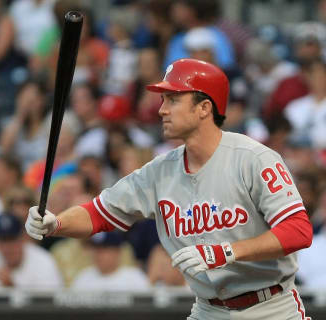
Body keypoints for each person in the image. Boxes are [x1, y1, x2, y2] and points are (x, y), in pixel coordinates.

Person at [26, 58, 313, 319]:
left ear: (204, 108)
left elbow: (298, 230)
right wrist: (56, 222)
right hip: (208, 309)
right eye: (163, 99)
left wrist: (226, 252)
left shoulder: (253, 159)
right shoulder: (159, 171)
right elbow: (99, 213)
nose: (162, 109)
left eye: (173, 99)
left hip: (270, 307)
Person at [0, 213, 63, 290]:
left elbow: (50, 307)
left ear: (23, 238)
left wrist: (12, 289)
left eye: (12, 240)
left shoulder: (43, 261)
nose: (8, 247)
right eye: (4, 241)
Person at [70, 232, 150, 292]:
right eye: (96, 249)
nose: (98, 254)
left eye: (104, 250)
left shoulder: (134, 277)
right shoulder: (83, 277)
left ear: (117, 252)